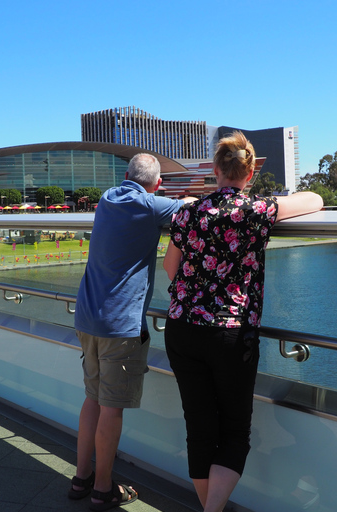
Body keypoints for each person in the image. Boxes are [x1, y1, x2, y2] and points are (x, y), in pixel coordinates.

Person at [162, 131, 323, 512]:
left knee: (199, 429)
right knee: (234, 432)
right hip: (231, 334)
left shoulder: (188, 212)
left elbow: (171, 268)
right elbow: (314, 199)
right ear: (249, 174)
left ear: (215, 170)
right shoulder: (256, 210)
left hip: (182, 327)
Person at [70, 153, 196, 511]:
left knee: (92, 398)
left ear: (125, 175)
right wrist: (179, 199)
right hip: (119, 325)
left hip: (87, 318)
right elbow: (191, 212)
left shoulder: (108, 198)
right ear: (158, 185)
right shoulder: (151, 205)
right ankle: (104, 488)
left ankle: (81, 479)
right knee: (111, 407)